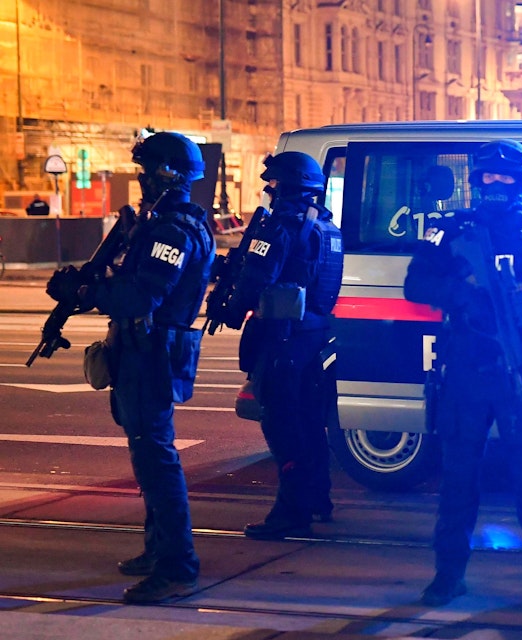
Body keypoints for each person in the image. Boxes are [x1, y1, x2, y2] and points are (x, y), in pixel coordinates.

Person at [404, 139, 522, 609]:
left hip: (520, 372)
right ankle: (448, 577)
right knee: (457, 481)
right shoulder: (453, 230)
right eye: (488, 176)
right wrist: (463, 294)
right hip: (466, 371)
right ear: (477, 180)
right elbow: (415, 282)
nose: (496, 183)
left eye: (506, 176)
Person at [45, 131, 214, 603]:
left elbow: (142, 296)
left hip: (153, 353)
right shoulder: (159, 223)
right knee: (148, 454)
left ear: (167, 174)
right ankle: (158, 549)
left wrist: (86, 293)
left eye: (145, 171)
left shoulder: (173, 230)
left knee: (156, 459)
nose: (140, 180)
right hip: (142, 349)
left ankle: (177, 567)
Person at [213, 151, 344, 540]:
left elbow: (255, 279)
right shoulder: (329, 229)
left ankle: (291, 512)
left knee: (282, 425)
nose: (268, 190)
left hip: (283, 338)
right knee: (309, 422)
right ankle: (318, 499)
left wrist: (230, 310)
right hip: (315, 338)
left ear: (287, 186)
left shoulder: (281, 227)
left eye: (272, 183)